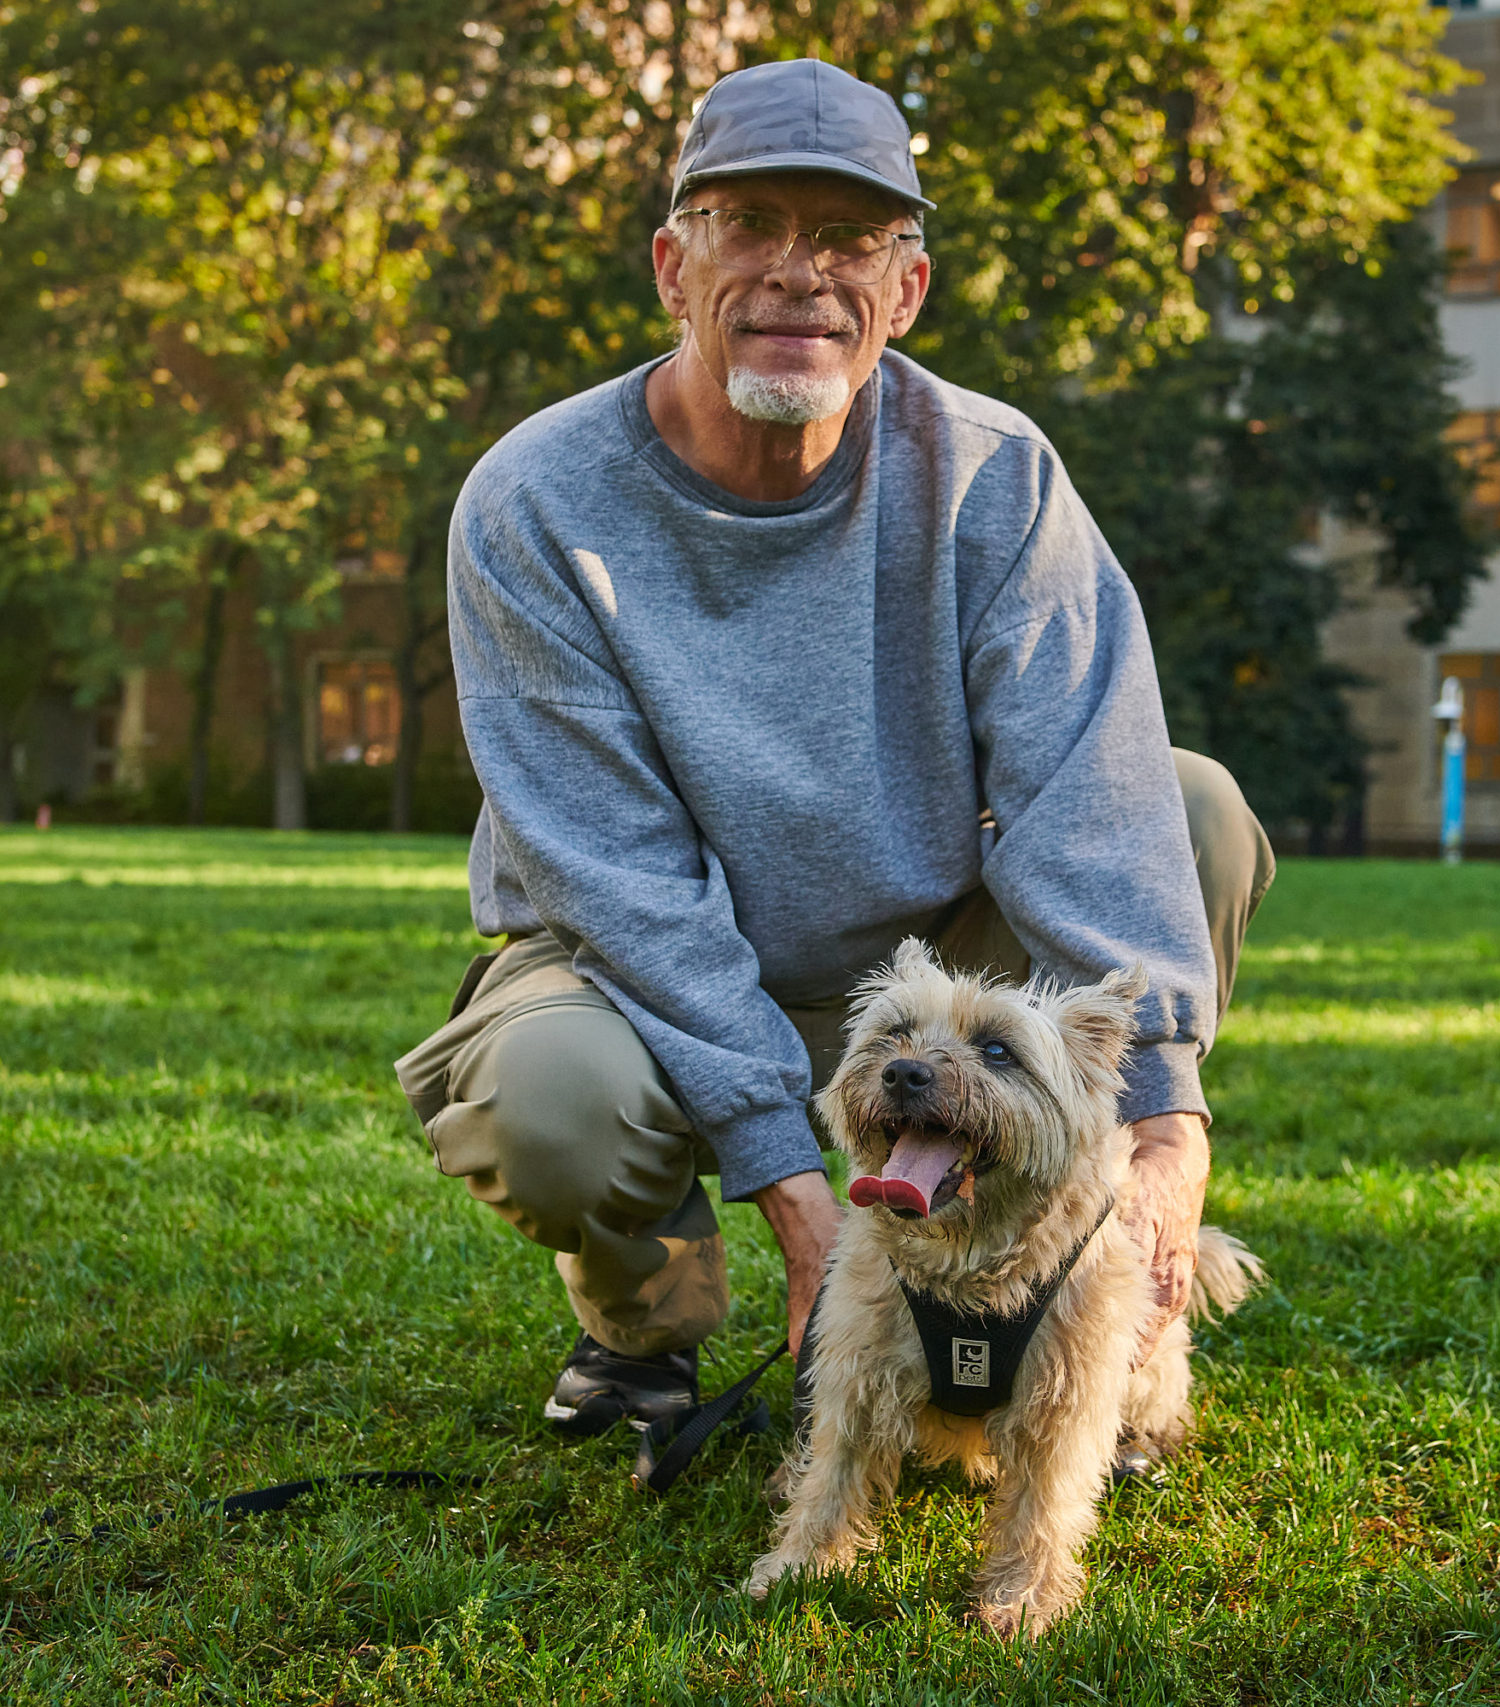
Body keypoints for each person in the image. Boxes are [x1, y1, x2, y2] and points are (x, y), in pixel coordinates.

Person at [395, 58, 1273, 1441]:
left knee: (1191, 802)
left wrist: (1166, 1125)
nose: (799, 273)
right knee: (553, 1103)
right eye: (752, 223)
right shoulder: (534, 498)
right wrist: (797, 1194)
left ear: (906, 292)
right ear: (672, 265)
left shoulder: (998, 478)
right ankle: (643, 1331)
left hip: (921, 971)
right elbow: (621, 879)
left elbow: (1085, 797)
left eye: (850, 237)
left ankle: (1039, 1296)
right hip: (632, 967)